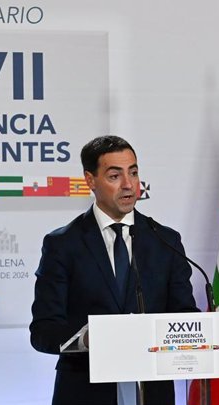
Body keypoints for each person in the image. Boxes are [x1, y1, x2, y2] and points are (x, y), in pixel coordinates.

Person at [30, 135, 198, 405]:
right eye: (114, 176)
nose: (129, 185)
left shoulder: (165, 241)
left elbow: (186, 315)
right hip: (86, 391)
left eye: (133, 172)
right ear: (90, 180)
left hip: (151, 391)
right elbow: (43, 331)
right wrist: (88, 338)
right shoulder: (62, 244)